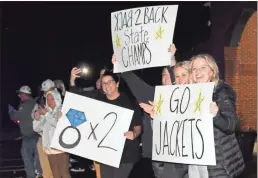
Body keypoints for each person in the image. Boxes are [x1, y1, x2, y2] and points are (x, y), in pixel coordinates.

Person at [112, 44, 187, 178]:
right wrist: (120, 66)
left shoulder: (188, 95)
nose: (167, 78)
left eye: (170, 75)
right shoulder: (153, 94)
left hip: (183, 154)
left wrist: (171, 58)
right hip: (158, 155)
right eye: (163, 75)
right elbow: (134, 82)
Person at [189, 54, 245, 178]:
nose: (198, 72)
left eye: (203, 67)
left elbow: (231, 125)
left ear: (212, 70)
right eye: (194, 69)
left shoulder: (221, 92)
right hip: (199, 160)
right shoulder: (191, 94)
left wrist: (216, 114)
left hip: (220, 164)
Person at [140, 61, 192, 178]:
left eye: (183, 75)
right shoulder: (162, 97)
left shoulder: (199, 96)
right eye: (177, 76)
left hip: (189, 159)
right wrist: (155, 117)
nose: (179, 79)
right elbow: (160, 132)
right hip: (165, 158)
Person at [34, 79, 71, 178]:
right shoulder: (47, 112)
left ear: (57, 98)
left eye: (52, 99)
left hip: (61, 148)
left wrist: (46, 115)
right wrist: (38, 118)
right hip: (50, 149)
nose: (50, 102)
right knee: (55, 174)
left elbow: (58, 125)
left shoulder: (62, 110)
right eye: (48, 99)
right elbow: (37, 129)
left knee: (64, 173)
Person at [9, 85, 42, 178]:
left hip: (30, 136)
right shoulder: (34, 102)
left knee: (28, 159)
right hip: (37, 135)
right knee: (37, 159)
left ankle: (32, 176)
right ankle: (39, 174)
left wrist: (11, 111)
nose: (19, 96)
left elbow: (14, 116)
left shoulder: (25, 105)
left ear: (24, 94)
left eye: (20, 94)